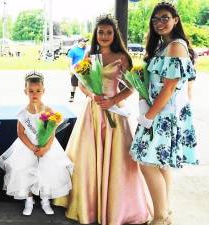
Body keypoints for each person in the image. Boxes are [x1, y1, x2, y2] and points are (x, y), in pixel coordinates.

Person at [54, 14, 151, 225]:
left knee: (117, 160)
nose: (104, 36)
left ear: (114, 35)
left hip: (115, 112)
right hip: (93, 112)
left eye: (108, 32)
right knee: (88, 158)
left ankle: (117, 208)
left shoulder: (122, 56)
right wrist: (92, 95)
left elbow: (132, 85)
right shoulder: (90, 55)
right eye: (100, 32)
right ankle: (88, 205)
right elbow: (81, 84)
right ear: (95, 34)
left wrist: (114, 99)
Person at [130, 2, 198, 225]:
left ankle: (159, 216)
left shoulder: (176, 46)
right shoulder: (162, 45)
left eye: (165, 18)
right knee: (160, 163)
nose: (159, 23)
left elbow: (169, 88)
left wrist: (149, 115)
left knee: (147, 163)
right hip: (157, 111)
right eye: (156, 19)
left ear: (175, 20)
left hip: (163, 114)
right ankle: (165, 212)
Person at [0, 71, 73, 216]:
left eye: (38, 91)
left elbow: (52, 132)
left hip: (47, 148)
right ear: (25, 91)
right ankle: (29, 200)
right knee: (26, 172)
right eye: (30, 91)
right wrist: (32, 147)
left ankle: (45, 200)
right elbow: (20, 133)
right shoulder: (22, 113)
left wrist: (46, 148)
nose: (34, 94)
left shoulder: (49, 110)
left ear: (43, 91)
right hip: (27, 147)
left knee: (46, 173)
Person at [68, 37, 88, 102]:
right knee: (73, 84)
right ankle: (72, 97)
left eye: (86, 41)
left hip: (84, 69)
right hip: (75, 70)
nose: (85, 42)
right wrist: (70, 69)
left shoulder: (86, 51)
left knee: (86, 84)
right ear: (79, 42)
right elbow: (70, 61)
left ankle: (87, 97)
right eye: (84, 41)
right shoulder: (73, 50)